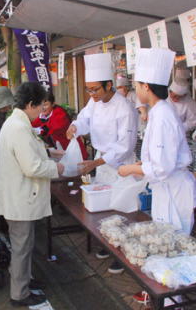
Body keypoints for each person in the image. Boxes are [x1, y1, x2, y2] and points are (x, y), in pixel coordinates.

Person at [118, 48, 196, 307]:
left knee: (172, 244)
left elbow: (162, 167)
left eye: (137, 85)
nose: (135, 89)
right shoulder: (158, 111)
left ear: (146, 87)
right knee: (164, 243)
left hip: (173, 188)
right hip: (167, 187)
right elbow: (160, 158)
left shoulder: (162, 115)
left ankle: (173, 299)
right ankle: (162, 291)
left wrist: (132, 168)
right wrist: (143, 163)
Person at [0, 82, 65, 307]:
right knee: (22, 248)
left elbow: (27, 153)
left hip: (18, 196)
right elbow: (32, 167)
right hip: (19, 198)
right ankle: (20, 294)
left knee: (24, 245)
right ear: (31, 104)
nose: (42, 111)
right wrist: (57, 168)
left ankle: (24, 282)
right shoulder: (19, 127)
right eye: (41, 106)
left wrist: (49, 152)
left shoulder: (14, 122)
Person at [66, 53, 138, 274]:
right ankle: (109, 244)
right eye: (88, 90)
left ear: (109, 85)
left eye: (95, 89)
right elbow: (85, 118)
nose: (91, 94)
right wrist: (75, 127)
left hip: (121, 165)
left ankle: (124, 254)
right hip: (102, 161)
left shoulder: (124, 107)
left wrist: (97, 161)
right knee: (105, 207)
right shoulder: (94, 101)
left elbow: (125, 145)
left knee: (122, 206)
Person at [32, 92, 88, 159]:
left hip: (72, 148)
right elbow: (33, 123)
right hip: (59, 150)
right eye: (40, 105)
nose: (42, 108)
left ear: (53, 104)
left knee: (78, 167)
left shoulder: (60, 114)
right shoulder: (42, 116)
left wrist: (38, 130)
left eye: (45, 105)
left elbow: (52, 128)